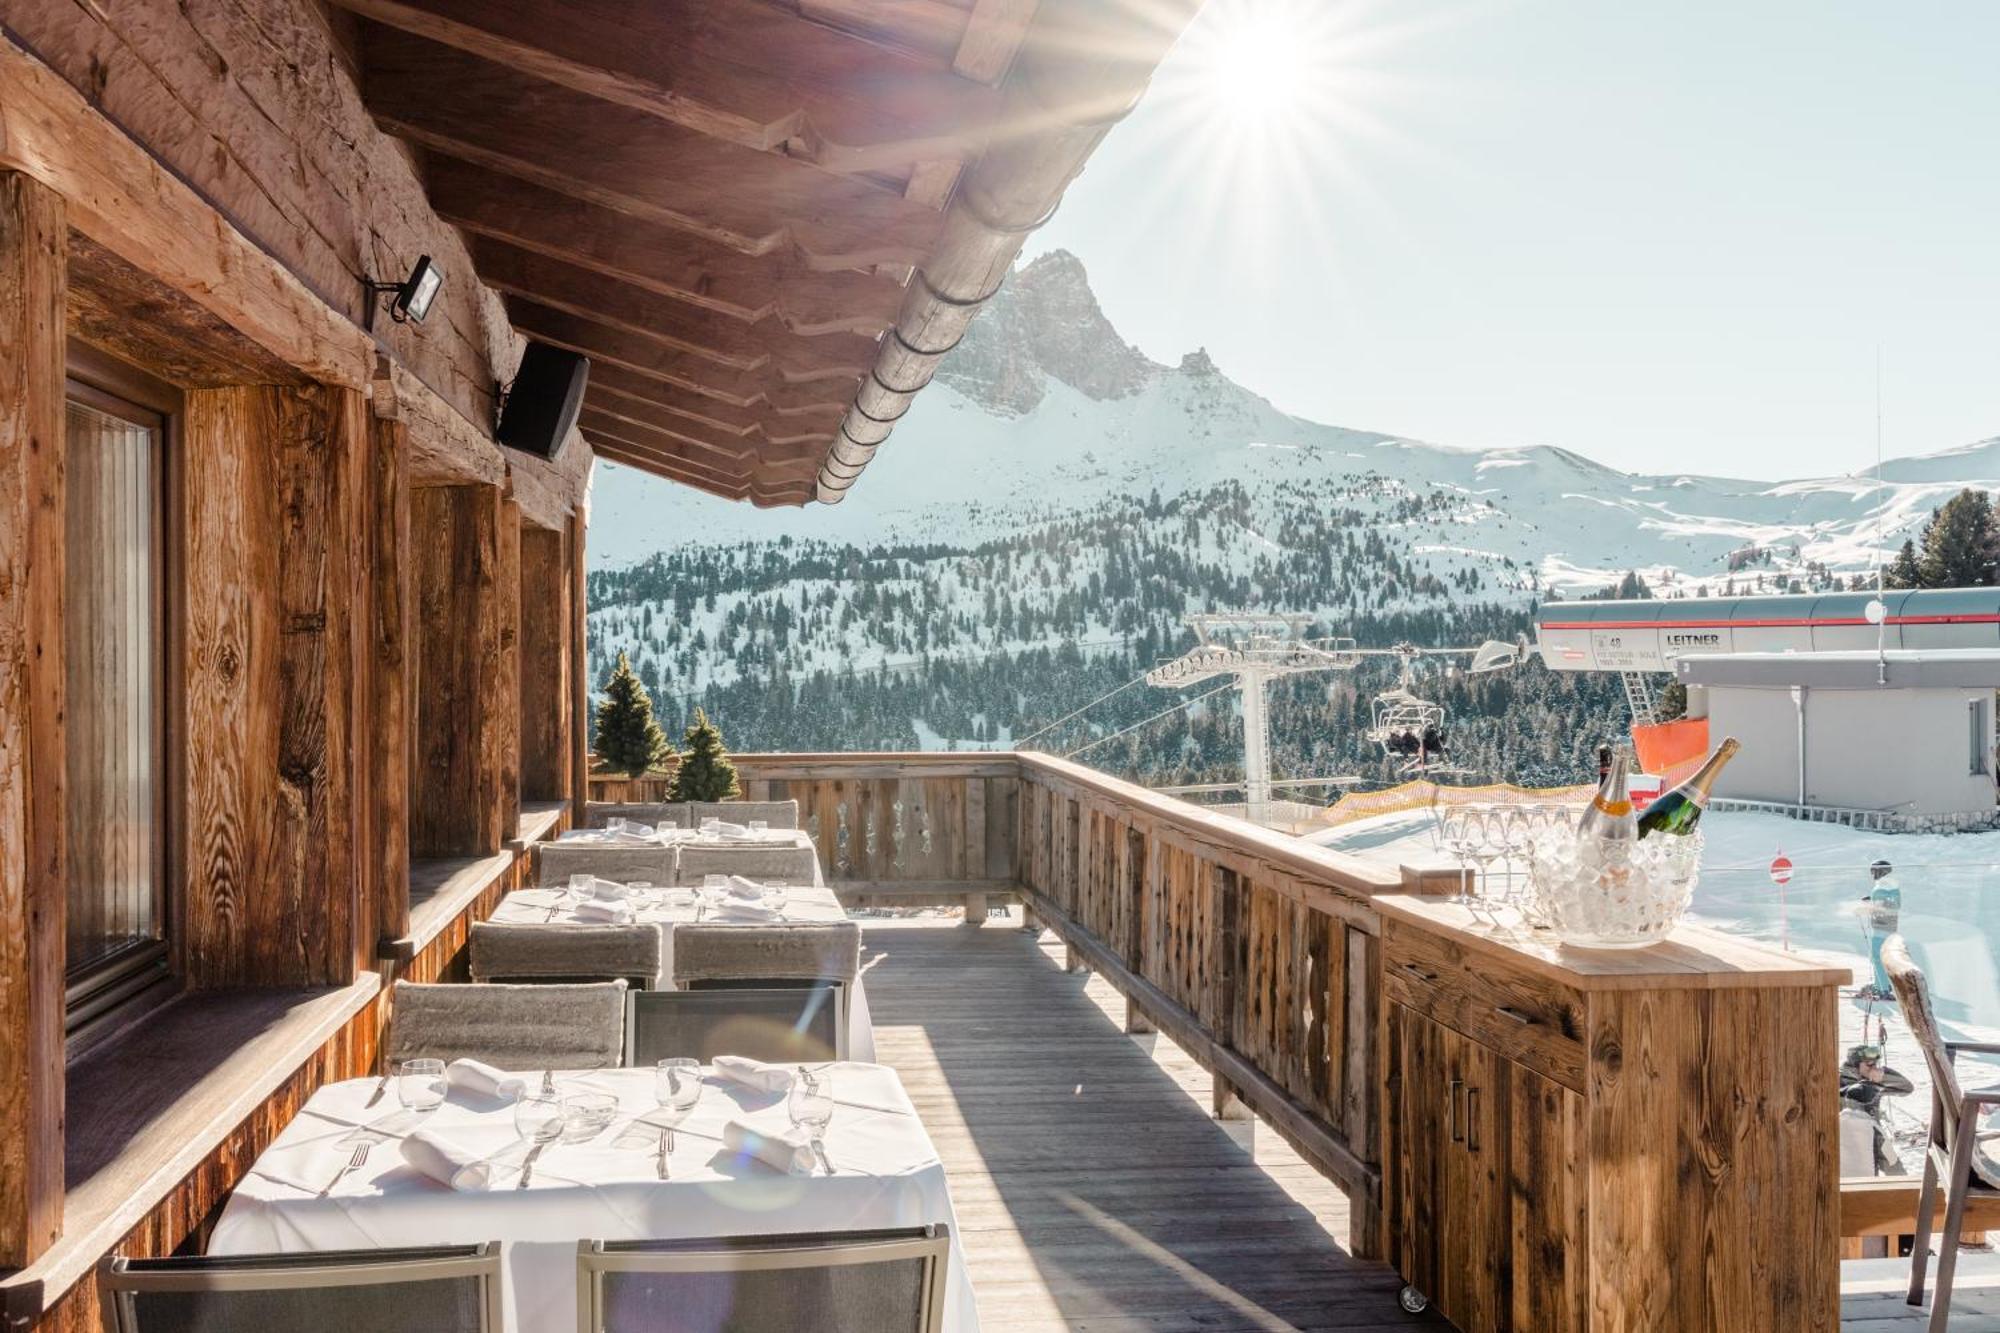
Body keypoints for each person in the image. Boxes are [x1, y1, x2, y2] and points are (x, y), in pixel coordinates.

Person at [1839, 1041, 1914, 1175]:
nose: (1873, 1067)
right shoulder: (1838, 1080)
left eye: (1875, 1064)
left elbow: (1907, 1088)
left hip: (1877, 1136)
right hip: (1851, 1140)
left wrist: (1884, 1076)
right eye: (1869, 1064)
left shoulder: (1873, 1079)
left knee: (1898, 1175)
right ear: (1855, 1065)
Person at [1861, 860, 1902, 1000]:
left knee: (1878, 958)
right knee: (1878, 957)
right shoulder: (1889, 884)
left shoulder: (1886, 885)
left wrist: (1871, 906)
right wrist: (1872, 899)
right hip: (1885, 926)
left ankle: (1883, 988)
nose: (1873, 874)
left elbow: (1891, 904)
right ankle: (1880, 985)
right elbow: (1888, 900)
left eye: (1874, 871)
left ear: (1880, 871)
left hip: (1882, 927)